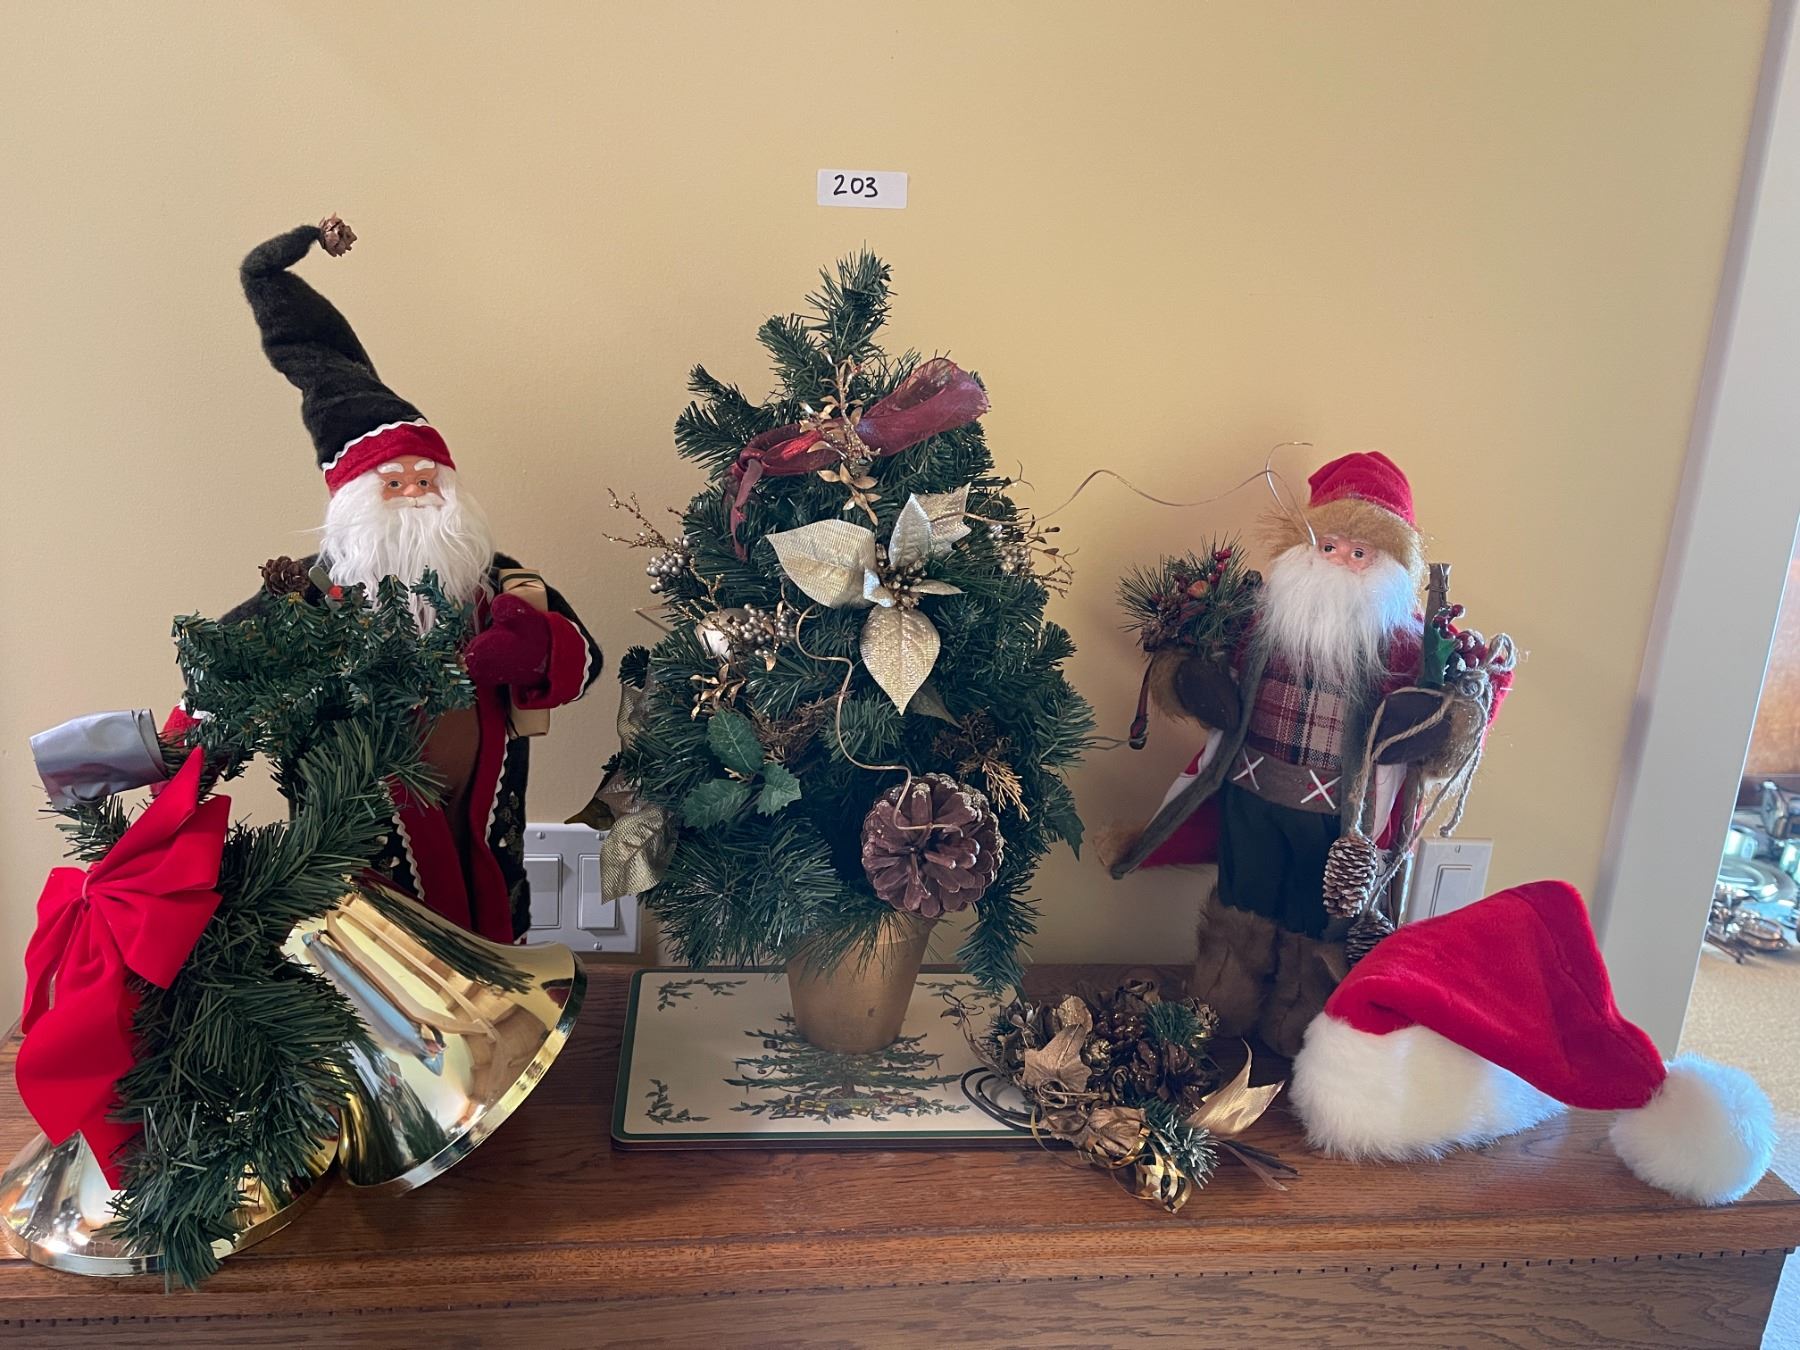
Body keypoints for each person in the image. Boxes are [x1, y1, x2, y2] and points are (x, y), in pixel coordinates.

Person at [231, 216, 602, 941]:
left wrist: (538, 651)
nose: (413, 496)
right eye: (391, 484)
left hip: (488, 849)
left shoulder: (501, 587)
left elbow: (586, 660)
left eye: (426, 480)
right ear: (354, 504)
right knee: (379, 966)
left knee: (496, 944)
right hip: (357, 887)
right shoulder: (307, 599)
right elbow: (223, 673)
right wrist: (163, 755)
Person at [1108, 452, 1505, 1055]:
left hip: (1335, 822)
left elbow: (1453, 728)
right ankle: (1219, 1005)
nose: (1341, 560)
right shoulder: (1259, 621)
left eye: (1360, 553)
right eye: (1330, 546)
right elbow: (1193, 665)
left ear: (1390, 567)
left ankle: (1297, 1023)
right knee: (1241, 898)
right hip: (1249, 798)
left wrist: (1440, 725)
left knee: (1314, 916)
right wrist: (1188, 680)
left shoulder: (1406, 647)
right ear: (1304, 547)